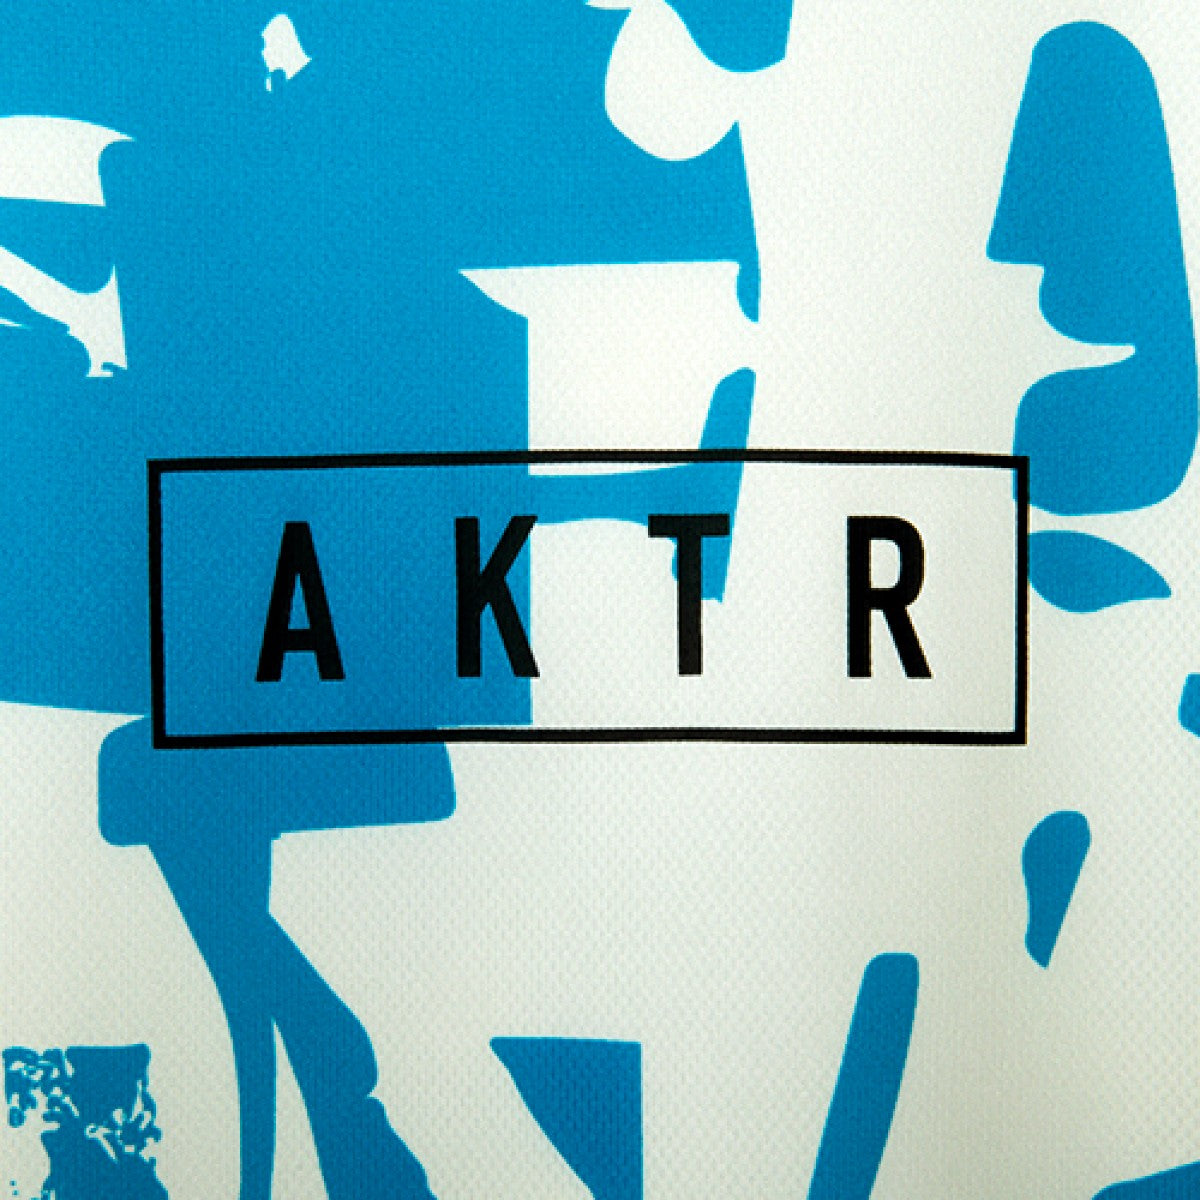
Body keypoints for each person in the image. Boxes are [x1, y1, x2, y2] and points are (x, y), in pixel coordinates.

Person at [1, 3, 762, 1195]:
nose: (279, 52)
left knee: (205, 834)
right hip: (246, 622)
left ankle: (338, 1087)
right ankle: (336, 1087)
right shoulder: (197, 178)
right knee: (195, 840)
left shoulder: (271, 186)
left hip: (289, 625)